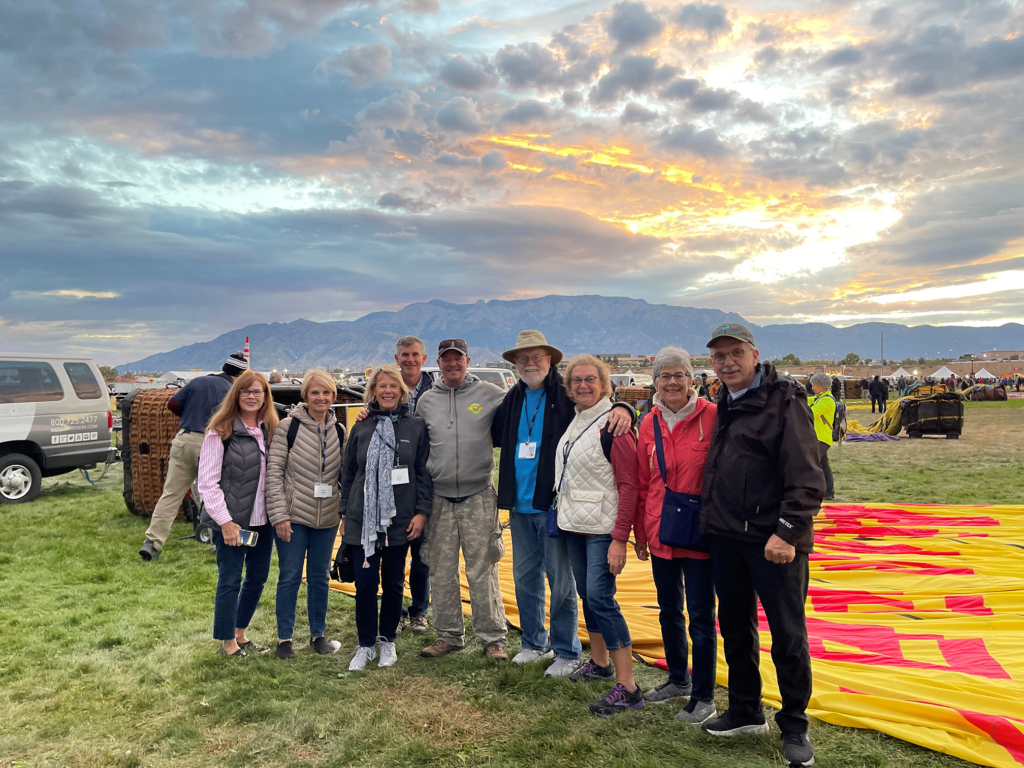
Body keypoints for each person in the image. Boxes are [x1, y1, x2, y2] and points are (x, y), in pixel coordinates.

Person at [698, 323, 824, 768]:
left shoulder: (784, 401)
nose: (727, 362)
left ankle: (794, 725)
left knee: (787, 634)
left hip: (774, 543)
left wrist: (787, 532)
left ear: (755, 355)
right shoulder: (724, 402)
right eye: (719, 356)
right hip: (729, 537)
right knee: (735, 628)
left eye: (735, 353)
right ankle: (746, 709)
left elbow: (809, 478)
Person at [492, 330, 634, 677]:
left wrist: (625, 406)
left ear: (549, 360)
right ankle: (533, 643)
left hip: (554, 505)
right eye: (522, 359)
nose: (529, 364)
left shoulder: (566, 393)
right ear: (515, 365)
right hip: (519, 505)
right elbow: (493, 433)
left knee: (561, 582)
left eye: (536, 357)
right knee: (525, 578)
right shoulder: (513, 397)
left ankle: (567, 650)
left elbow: (598, 408)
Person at [552, 354, 642, 715]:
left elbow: (630, 484)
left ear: (605, 385)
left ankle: (629, 686)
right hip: (575, 522)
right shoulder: (577, 420)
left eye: (591, 379)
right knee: (588, 595)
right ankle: (601, 664)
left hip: (604, 528)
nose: (583, 385)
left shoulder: (614, 426)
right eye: (576, 380)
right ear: (569, 387)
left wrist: (621, 537)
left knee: (602, 599)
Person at [633, 347, 718, 724]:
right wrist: (639, 531)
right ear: (655, 382)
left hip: (699, 534)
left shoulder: (713, 417)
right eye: (664, 376)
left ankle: (704, 695)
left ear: (691, 379)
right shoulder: (647, 424)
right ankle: (677, 679)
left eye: (678, 375)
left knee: (701, 615)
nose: (671, 382)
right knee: (669, 610)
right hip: (660, 531)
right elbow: (640, 482)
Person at [416, 339, 509, 661]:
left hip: (479, 494)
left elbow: (525, 407)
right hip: (439, 496)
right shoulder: (427, 401)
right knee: (441, 570)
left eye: (458, 359)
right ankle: (448, 635)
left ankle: (492, 638)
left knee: (482, 569)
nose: (452, 364)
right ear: (438, 363)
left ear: (468, 361)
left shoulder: (491, 394)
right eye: (446, 360)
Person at [340, 365, 432, 671]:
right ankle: (365, 644)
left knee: (393, 583)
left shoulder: (415, 426)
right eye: (382, 386)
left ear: (402, 390)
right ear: (373, 391)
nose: (388, 391)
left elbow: (422, 471)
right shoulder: (361, 426)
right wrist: (344, 512)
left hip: (400, 518)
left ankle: (387, 640)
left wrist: (421, 511)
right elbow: (349, 472)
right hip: (362, 518)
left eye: (393, 386)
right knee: (365, 585)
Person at [196, 369, 280, 657]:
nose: (252, 396)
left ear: (266, 396)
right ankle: (226, 643)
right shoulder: (221, 431)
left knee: (257, 578)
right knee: (230, 579)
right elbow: (207, 483)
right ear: (236, 395)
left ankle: (240, 633)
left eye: (258, 392)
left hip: (261, 521)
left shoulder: (270, 430)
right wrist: (226, 522)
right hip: (233, 522)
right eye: (246, 391)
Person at [266, 369, 346, 660]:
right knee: (289, 576)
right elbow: (274, 474)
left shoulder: (340, 431)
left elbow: (345, 477)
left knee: (320, 577)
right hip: (293, 516)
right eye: (315, 392)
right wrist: (279, 516)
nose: (321, 397)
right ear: (305, 396)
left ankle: (318, 635)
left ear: (333, 396)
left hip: (327, 518)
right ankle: (284, 639)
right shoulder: (288, 428)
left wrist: (345, 514)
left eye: (326, 392)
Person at [138, 352, 246, 560]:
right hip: (210, 442)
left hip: (183, 440)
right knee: (215, 494)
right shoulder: (232, 391)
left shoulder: (198, 381)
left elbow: (172, 404)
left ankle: (152, 542)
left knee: (171, 494)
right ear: (239, 375)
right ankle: (219, 543)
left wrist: (189, 415)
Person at [393, 335, 434, 635]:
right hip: (393, 483)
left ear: (424, 357)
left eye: (415, 354)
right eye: (405, 354)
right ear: (397, 358)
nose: (409, 359)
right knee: (393, 552)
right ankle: (394, 610)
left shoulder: (438, 389)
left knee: (422, 554)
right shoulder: (387, 388)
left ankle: (419, 610)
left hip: (426, 476)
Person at [809, 373, 836, 502]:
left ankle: (810, 491)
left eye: (814, 385)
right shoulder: (819, 398)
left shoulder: (826, 400)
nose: (812, 387)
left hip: (822, 439)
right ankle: (829, 493)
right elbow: (806, 399)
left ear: (821, 386)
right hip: (819, 438)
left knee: (810, 464)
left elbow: (812, 413)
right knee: (824, 467)